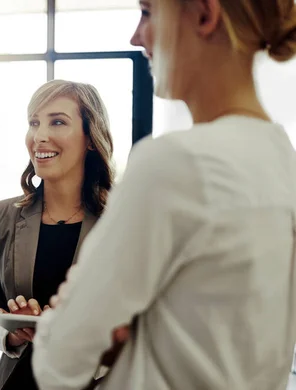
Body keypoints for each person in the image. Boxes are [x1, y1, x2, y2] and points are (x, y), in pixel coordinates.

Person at [32, 1, 296, 389]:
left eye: (148, 12)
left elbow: (59, 358)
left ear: (204, 15)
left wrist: (97, 331)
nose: (135, 36)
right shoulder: (282, 160)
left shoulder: (176, 163)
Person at [0, 79, 115, 390]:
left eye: (58, 122)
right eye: (34, 123)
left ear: (90, 137)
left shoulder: (121, 219)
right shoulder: (4, 215)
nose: (39, 136)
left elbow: (144, 327)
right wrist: (13, 332)